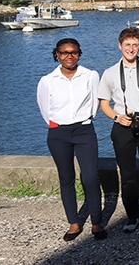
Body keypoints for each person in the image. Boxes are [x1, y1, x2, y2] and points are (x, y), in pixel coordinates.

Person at [97, 27, 139, 233]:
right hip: (122, 125)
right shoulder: (109, 73)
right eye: (127, 45)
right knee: (127, 175)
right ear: (120, 46)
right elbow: (104, 104)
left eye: (135, 45)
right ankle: (133, 215)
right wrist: (117, 117)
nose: (131, 49)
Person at [38, 38, 107, 241]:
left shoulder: (90, 76)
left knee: (90, 177)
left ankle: (96, 223)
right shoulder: (48, 80)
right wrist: (57, 124)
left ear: (79, 54)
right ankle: (74, 223)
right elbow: (44, 108)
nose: (69, 56)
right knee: (66, 178)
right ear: (57, 55)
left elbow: (95, 102)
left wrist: (83, 120)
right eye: (64, 52)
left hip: (84, 131)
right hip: (58, 133)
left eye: (74, 52)